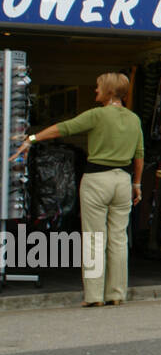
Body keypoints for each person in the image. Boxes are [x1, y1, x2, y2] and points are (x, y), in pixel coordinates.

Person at [10, 72, 143, 307]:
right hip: (123, 179)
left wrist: (31, 138)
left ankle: (93, 296)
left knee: (94, 237)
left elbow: (64, 128)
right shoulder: (134, 119)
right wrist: (137, 184)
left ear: (110, 91)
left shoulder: (97, 115)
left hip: (97, 179)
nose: (95, 91)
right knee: (118, 238)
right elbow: (140, 155)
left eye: (99, 87)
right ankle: (116, 293)